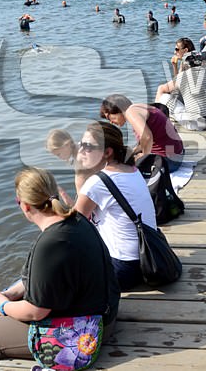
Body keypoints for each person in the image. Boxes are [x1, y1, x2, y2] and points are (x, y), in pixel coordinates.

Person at [0, 167, 119, 371]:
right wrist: (9, 295)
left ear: (25, 206)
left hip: (86, 332)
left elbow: (36, 311)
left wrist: (3, 306)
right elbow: (48, 278)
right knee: (4, 308)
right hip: (104, 314)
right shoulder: (77, 220)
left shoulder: (49, 245)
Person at [75, 121, 158, 290]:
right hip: (149, 257)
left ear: (107, 152)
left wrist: (79, 175)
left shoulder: (97, 182)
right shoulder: (132, 169)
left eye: (87, 146)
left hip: (123, 267)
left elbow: (73, 226)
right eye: (80, 144)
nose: (80, 150)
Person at [100, 94, 184, 172]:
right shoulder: (138, 108)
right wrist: (133, 152)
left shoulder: (131, 112)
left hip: (169, 161)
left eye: (109, 117)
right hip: (176, 156)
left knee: (118, 167)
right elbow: (146, 140)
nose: (110, 122)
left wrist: (144, 155)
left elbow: (147, 137)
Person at [155, 48, 206, 130]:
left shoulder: (182, 77)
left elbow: (162, 89)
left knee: (164, 97)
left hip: (195, 124)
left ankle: (156, 117)